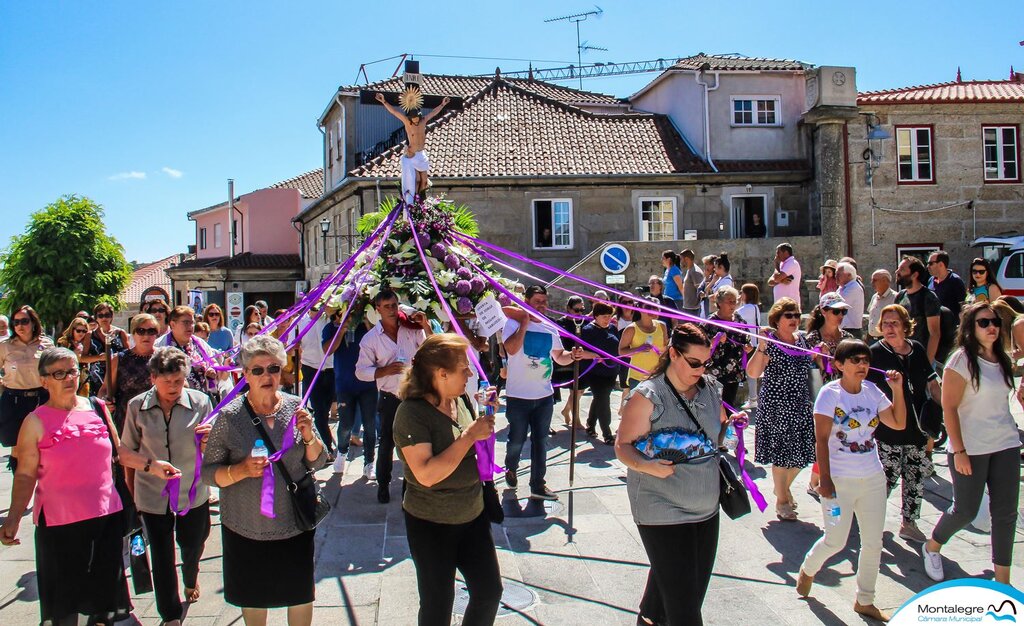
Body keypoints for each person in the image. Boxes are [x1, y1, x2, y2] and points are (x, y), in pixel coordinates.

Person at [616, 324, 743, 626]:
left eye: (706, 362)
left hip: (706, 507)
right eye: (694, 363)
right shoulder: (647, 396)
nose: (701, 369)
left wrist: (732, 424)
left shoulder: (711, 387)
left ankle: (647, 619)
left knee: (686, 591)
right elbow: (622, 446)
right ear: (673, 354)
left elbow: (714, 435)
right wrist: (647, 466)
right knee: (684, 610)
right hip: (661, 508)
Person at [201, 334, 327, 625]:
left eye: (273, 368)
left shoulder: (297, 408)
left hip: (294, 523)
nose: (266, 375)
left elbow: (318, 460)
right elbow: (209, 472)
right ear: (245, 375)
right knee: (254, 597)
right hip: (245, 526)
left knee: (299, 595)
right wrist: (240, 470)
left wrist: (309, 436)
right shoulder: (230, 417)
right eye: (257, 370)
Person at [0, 347, 131, 624]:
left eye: (72, 370)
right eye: (59, 373)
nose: (69, 378)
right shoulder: (35, 421)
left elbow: (121, 453)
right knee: (66, 603)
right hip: (60, 525)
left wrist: (153, 467)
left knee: (103, 601)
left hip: (105, 518)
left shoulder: (96, 407)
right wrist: (12, 518)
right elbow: (25, 475)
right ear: (44, 380)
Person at [393, 333, 503, 626]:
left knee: (489, 593)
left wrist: (487, 412)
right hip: (431, 523)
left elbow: (475, 441)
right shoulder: (411, 414)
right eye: (464, 368)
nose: (470, 373)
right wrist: (469, 436)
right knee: (437, 605)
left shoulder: (461, 399)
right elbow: (427, 474)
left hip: (472, 514)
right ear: (441, 374)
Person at [796, 340, 906, 623]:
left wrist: (897, 390)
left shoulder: (872, 391)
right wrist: (826, 480)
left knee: (873, 542)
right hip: (839, 482)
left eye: (865, 360)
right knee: (835, 540)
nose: (862, 365)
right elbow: (821, 439)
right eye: (855, 360)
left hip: (872, 478)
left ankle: (865, 600)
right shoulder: (829, 394)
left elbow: (897, 422)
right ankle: (808, 569)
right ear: (840, 364)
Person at [921, 302, 1022, 585]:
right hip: (971, 448)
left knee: (1005, 514)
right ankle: (932, 546)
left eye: (995, 322)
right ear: (970, 328)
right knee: (964, 510)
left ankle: (1003, 581)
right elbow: (949, 408)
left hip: (1005, 444)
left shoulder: (1001, 358)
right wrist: (960, 450)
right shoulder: (961, 360)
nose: (992, 326)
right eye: (984, 322)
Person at [120, 347, 214, 626]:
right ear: (152, 379)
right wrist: (151, 465)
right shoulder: (137, 406)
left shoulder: (201, 402)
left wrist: (210, 442)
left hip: (192, 492)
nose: (173, 387)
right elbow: (125, 453)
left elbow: (216, 449)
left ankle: (190, 576)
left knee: (194, 541)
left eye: (179, 380)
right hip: (152, 493)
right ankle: (170, 614)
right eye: (166, 381)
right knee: (161, 555)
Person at [867, 304, 941, 543]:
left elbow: (931, 383)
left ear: (905, 326)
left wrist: (944, 412)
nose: (889, 328)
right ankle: (869, 520)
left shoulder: (917, 349)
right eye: (885, 323)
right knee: (885, 479)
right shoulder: (875, 353)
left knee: (915, 478)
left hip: (918, 427)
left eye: (894, 323)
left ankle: (909, 523)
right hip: (888, 429)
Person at [501, 285, 581, 500]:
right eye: (537, 301)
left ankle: (538, 484)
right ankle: (511, 467)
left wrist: (572, 356)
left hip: (544, 396)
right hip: (518, 396)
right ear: (526, 301)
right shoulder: (512, 324)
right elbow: (512, 349)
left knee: (540, 441)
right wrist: (525, 322)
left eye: (544, 301)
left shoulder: (550, 329)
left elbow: (559, 357)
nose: (542, 306)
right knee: (516, 439)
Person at [356, 289, 431, 503]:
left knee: (413, 443)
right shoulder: (370, 339)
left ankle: (410, 486)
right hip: (390, 396)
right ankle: (383, 484)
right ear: (377, 309)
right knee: (387, 442)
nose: (391, 310)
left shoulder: (411, 329)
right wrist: (384, 371)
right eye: (387, 306)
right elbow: (361, 371)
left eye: (394, 305)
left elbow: (429, 350)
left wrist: (424, 325)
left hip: (414, 395)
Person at [746, 297, 815, 521]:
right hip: (777, 405)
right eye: (789, 315)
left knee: (802, 455)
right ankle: (782, 500)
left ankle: (781, 488)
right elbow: (753, 372)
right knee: (782, 454)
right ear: (777, 319)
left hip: (800, 403)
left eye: (796, 314)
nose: (794, 319)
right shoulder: (770, 341)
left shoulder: (802, 340)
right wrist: (762, 347)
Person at [323, 310, 378, 477]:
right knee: (345, 424)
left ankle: (369, 462)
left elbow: (378, 343)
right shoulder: (330, 328)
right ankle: (342, 452)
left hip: (368, 383)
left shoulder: (366, 326)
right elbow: (327, 350)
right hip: (344, 384)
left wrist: (368, 321)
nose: (351, 316)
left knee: (369, 425)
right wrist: (341, 330)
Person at [0, 305, 54, 470]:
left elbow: (54, 370)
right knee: (17, 445)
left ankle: (45, 482)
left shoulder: (46, 344)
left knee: (44, 443)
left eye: (24, 321)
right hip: (14, 399)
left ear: (33, 323)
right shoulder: (5, 346)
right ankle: (20, 482)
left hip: (41, 398)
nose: (20, 326)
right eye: (16, 322)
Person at [375, 92, 452, 203]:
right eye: (414, 118)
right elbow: (394, 112)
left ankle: (421, 201)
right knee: (416, 181)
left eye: (417, 117)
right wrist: (384, 101)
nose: (416, 120)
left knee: (424, 182)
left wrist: (442, 104)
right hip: (412, 155)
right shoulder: (407, 122)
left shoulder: (423, 121)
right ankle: (414, 202)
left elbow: (433, 113)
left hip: (421, 154)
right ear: (410, 118)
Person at [103, 314, 160, 430]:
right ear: (133, 333)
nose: (146, 335)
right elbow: (104, 389)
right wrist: (105, 401)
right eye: (141, 331)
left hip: (158, 421)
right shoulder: (118, 359)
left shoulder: (164, 357)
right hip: (126, 422)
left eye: (151, 331)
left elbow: (181, 385)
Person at [699, 286, 751, 408]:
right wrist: (714, 340)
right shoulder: (710, 322)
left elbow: (746, 339)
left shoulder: (739, 320)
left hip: (734, 372)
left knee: (729, 405)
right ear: (720, 303)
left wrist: (748, 348)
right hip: (715, 371)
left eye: (735, 301)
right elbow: (700, 345)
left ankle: (727, 426)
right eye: (729, 301)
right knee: (714, 406)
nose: (733, 304)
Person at [578, 302, 621, 445]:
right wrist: (595, 356)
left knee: (601, 398)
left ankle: (590, 424)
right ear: (595, 316)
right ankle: (607, 433)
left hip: (611, 371)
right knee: (603, 399)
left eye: (609, 316)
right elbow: (581, 352)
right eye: (604, 316)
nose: (607, 319)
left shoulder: (613, 328)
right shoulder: (587, 330)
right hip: (594, 372)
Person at [619, 297, 669, 404]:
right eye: (649, 307)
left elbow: (666, 348)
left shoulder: (662, 326)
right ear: (640, 309)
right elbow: (621, 351)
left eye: (656, 307)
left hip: (658, 375)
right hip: (637, 376)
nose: (653, 310)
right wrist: (638, 349)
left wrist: (664, 351)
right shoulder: (631, 328)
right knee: (638, 409)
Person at [157, 306, 218, 393]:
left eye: (192, 322)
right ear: (173, 324)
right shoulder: (160, 346)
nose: (190, 326)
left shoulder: (200, 344)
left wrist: (212, 369)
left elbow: (213, 362)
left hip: (201, 399)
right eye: (186, 322)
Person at [895, 256, 942, 364]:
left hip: (920, 358)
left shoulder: (928, 297)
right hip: (901, 357)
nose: (897, 272)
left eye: (902, 269)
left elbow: (935, 334)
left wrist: (927, 364)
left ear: (915, 275)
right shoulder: (900, 296)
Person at [81, 302, 131, 398]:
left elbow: (128, 355)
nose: (104, 318)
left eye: (107, 315)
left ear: (111, 317)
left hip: (117, 375)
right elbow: (83, 358)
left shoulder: (120, 333)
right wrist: (98, 357)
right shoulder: (90, 335)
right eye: (100, 315)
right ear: (96, 318)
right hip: (97, 377)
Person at [553, 296, 586, 429]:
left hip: (579, 361)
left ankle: (567, 410)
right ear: (568, 309)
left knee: (579, 390)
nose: (579, 313)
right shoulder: (560, 323)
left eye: (582, 310)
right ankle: (576, 420)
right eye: (576, 310)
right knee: (574, 391)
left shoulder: (583, 323)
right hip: (563, 361)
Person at [737, 283, 762, 408]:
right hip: (754, 343)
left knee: (750, 373)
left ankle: (753, 399)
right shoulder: (755, 307)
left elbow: (734, 316)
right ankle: (753, 398)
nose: (740, 294)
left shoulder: (748, 308)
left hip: (750, 344)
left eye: (741, 292)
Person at [56, 316, 93, 395]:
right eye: (78, 331)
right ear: (72, 330)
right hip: (67, 376)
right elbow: (59, 360)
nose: (81, 333)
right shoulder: (63, 342)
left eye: (84, 331)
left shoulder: (87, 343)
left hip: (84, 378)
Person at [927, 251, 967, 318]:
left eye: (930, 263)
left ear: (941, 264)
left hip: (951, 325)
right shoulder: (931, 280)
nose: (928, 266)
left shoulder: (955, 281)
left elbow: (963, 306)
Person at [836, 262, 865, 338]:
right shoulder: (841, 288)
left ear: (849, 275)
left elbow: (837, 304)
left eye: (839, 274)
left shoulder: (854, 288)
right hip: (843, 329)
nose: (835, 276)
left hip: (851, 331)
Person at [867, 270, 897, 341]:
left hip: (887, 340)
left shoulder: (895, 297)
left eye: (875, 280)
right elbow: (871, 318)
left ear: (885, 281)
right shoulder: (874, 297)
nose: (872, 283)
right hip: (871, 340)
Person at [679, 249, 704, 319]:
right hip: (688, 308)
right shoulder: (690, 270)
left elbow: (700, 290)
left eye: (681, 259)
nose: (680, 262)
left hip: (693, 310)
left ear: (686, 259)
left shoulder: (695, 272)